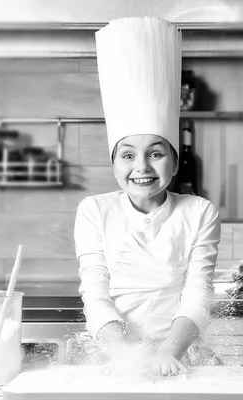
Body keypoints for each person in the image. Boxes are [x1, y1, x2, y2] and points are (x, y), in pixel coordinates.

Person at [73, 16, 221, 377]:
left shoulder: (199, 211)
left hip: (183, 354)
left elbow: (198, 292)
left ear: (175, 159)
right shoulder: (94, 210)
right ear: (114, 164)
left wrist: (168, 352)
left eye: (155, 153)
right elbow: (95, 293)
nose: (142, 167)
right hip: (113, 354)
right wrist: (126, 355)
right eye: (127, 155)